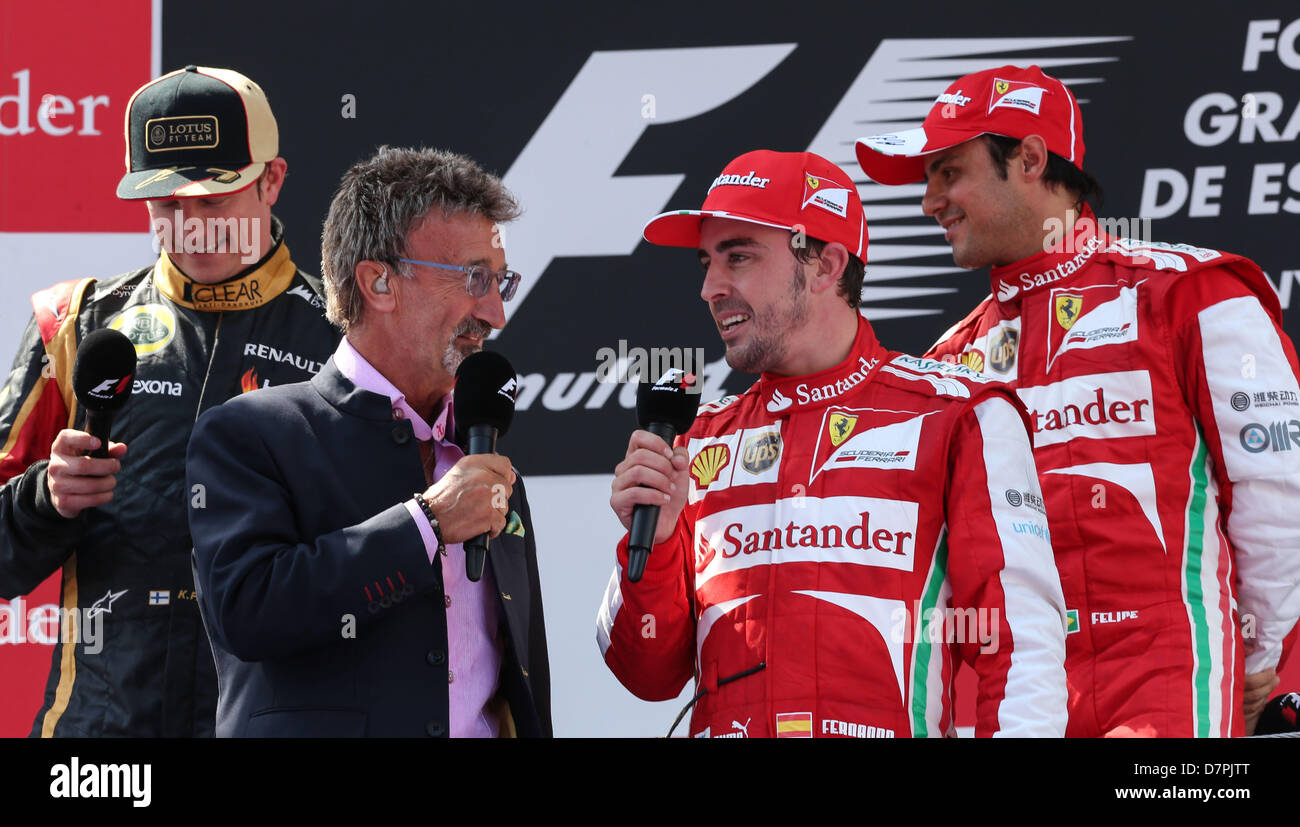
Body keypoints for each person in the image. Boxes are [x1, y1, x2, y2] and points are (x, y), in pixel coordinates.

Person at [856, 64, 1300, 737]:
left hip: (1167, 691)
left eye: (948, 171)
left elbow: (1278, 496)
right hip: (1014, 707)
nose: (929, 201)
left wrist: (1252, 655)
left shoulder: (1191, 294)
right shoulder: (947, 366)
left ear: (1030, 158)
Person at [596, 149, 1068, 738]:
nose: (710, 289)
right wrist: (658, 545)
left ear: (825, 265)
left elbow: (1019, 641)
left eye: (737, 257)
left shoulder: (957, 415)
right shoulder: (698, 442)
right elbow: (645, 673)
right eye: (706, 264)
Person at [0, 66, 339, 737]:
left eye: (212, 203)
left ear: (272, 180)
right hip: (100, 741)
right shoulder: (72, 325)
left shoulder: (344, 336)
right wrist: (47, 498)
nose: (189, 229)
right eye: (166, 206)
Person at [186, 146, 551, 738]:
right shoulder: (250, 432)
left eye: (501, 281)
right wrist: (425, 524)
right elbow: (248, 613)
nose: (495, 313)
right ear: (378, 281)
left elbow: (518, 682)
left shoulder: (481, 453)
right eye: (474, 279)